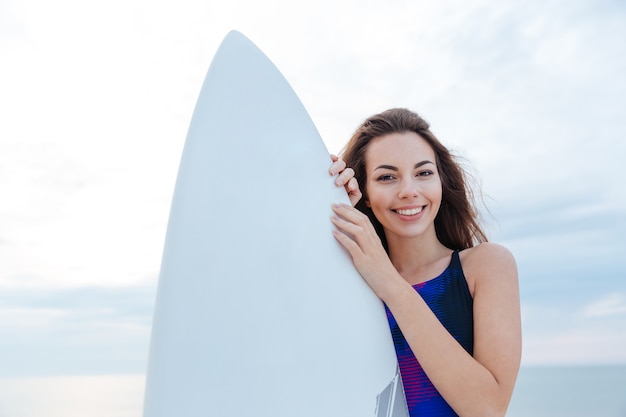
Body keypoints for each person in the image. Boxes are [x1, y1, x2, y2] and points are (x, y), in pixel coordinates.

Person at [329, 108, 521, 417]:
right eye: (387, 177)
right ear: (365, 194)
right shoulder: (351, 280)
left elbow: (488, 408)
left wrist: (387, 280)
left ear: (441, 182)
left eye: (423, 173)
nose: (409, 191)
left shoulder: (485, 266)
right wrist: (328, 201)